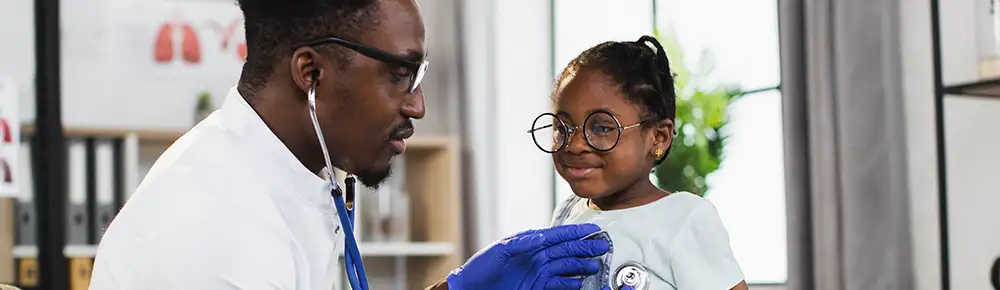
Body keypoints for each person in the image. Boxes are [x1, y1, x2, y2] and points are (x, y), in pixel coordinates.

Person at [88, 0, 617, 289]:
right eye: (399, 75)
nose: (417, 106)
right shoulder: (215, 234)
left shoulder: (302, 176)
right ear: (310, 73)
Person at [528, 36, 750, 290]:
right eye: (562, 127)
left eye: (602, 127)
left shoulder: (683, 219)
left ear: (658, 137)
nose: (575, 144)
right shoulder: (566, 213)